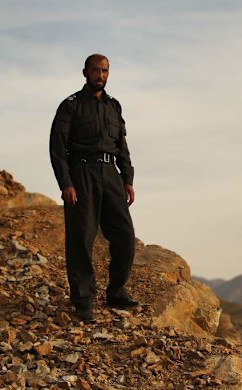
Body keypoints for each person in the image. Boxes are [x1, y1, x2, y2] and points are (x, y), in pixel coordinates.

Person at [49, 53, 138, 323]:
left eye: (105, 70)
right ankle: (83, 300)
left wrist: (127, 177)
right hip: (82, 174)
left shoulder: (114, 106)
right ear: (85, 72)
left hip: (111, 174)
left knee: (124, 236)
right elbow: (57, 148)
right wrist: (66, 183)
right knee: (81, 240)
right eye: (96, 70)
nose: (101, 75)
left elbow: (121, 145)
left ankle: (116, 291)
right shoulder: (71, 105)